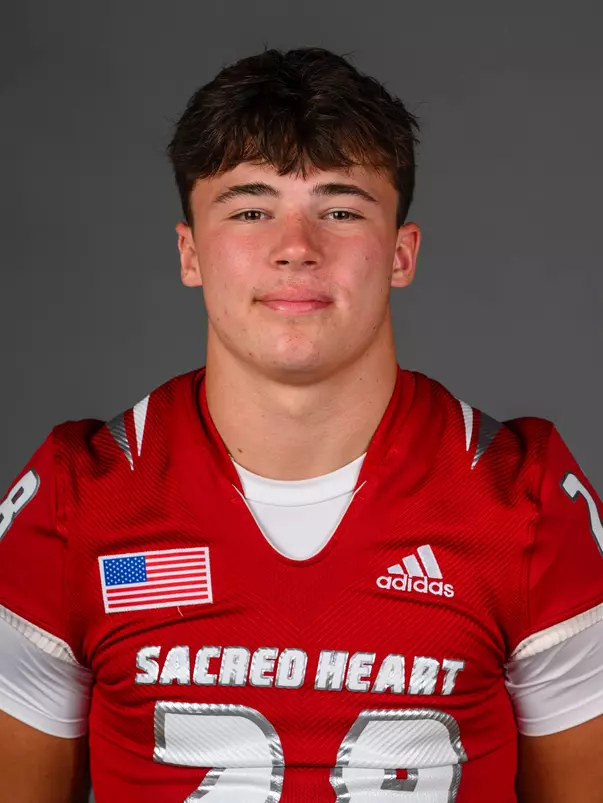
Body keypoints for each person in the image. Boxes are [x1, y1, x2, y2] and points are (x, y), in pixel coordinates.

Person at [0, 46, 602, 803]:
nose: (295, 249)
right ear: (190, 251)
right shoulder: (77, 496)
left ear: (400, 253)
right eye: (250, 209)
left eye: (340, 210)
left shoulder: (523, 497)